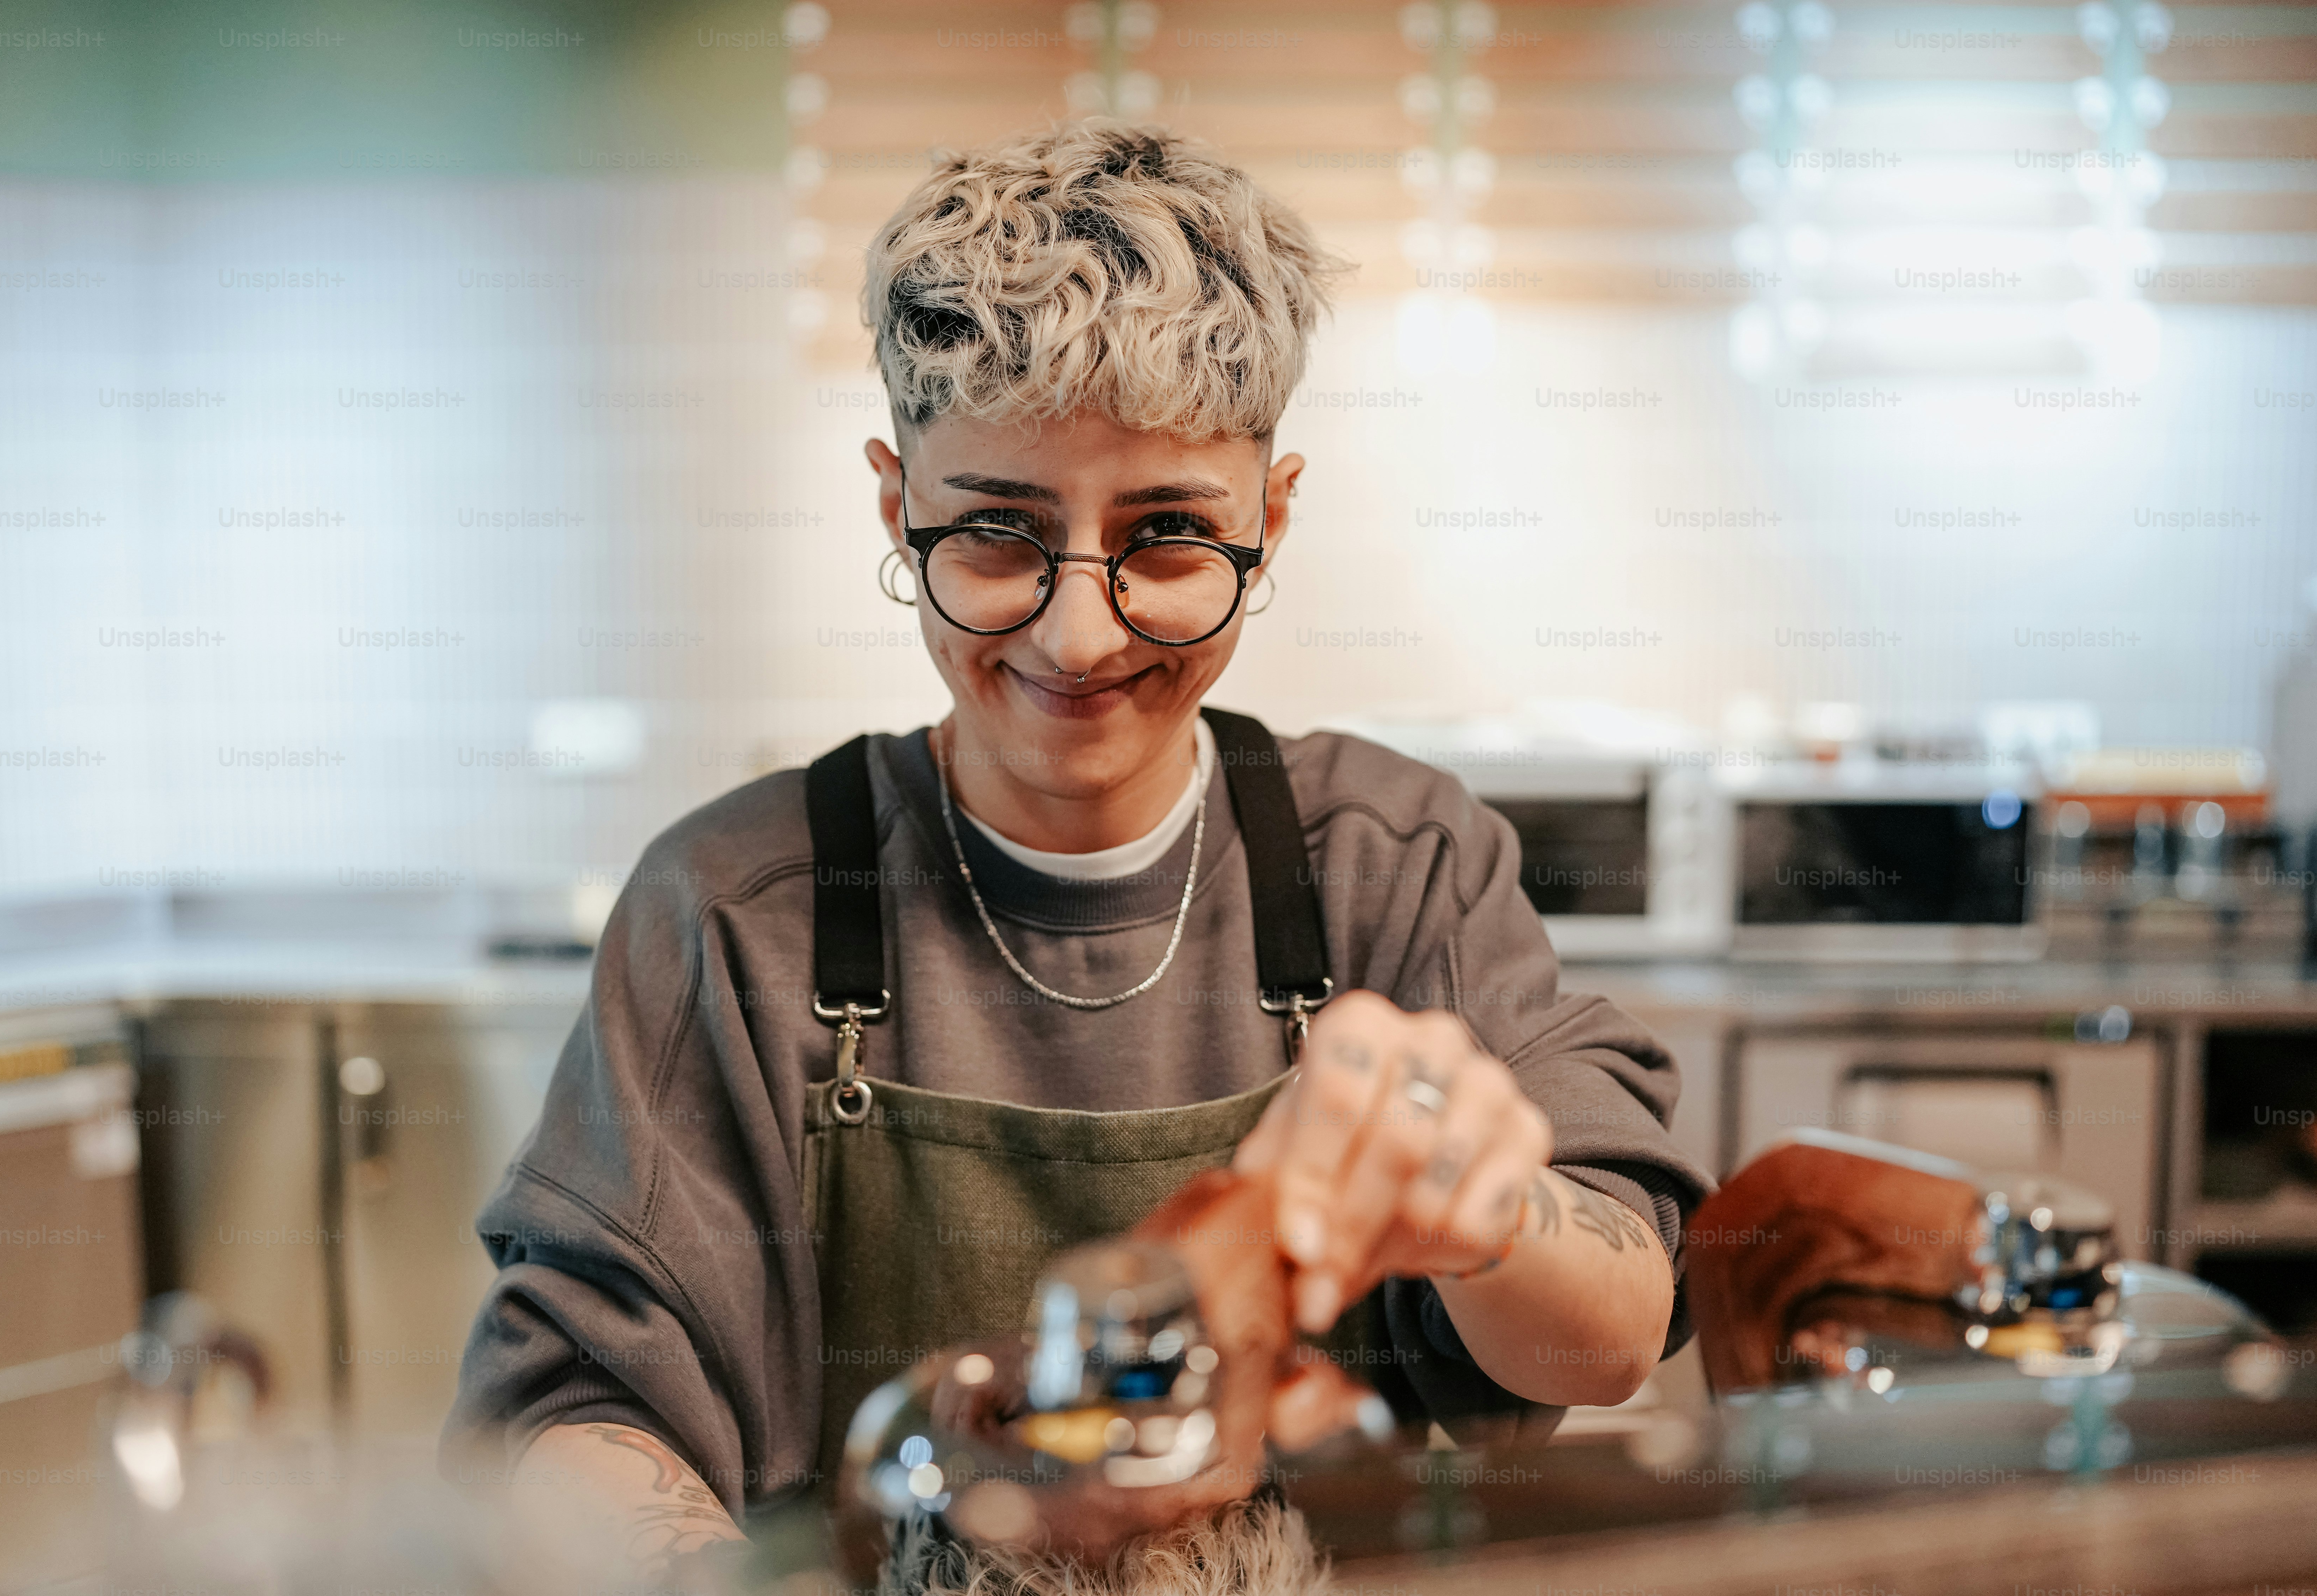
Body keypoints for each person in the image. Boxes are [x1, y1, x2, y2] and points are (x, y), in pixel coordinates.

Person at [441, 120, 1711, 1588]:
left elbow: (1611, 1330)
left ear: (1271, 516)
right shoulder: (734, 918)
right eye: (997, 532)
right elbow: (568, 1416)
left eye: (1168, 535)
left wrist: (1483, 1210)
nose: (1078, 632)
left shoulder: (1397, 862)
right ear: (894, 503)